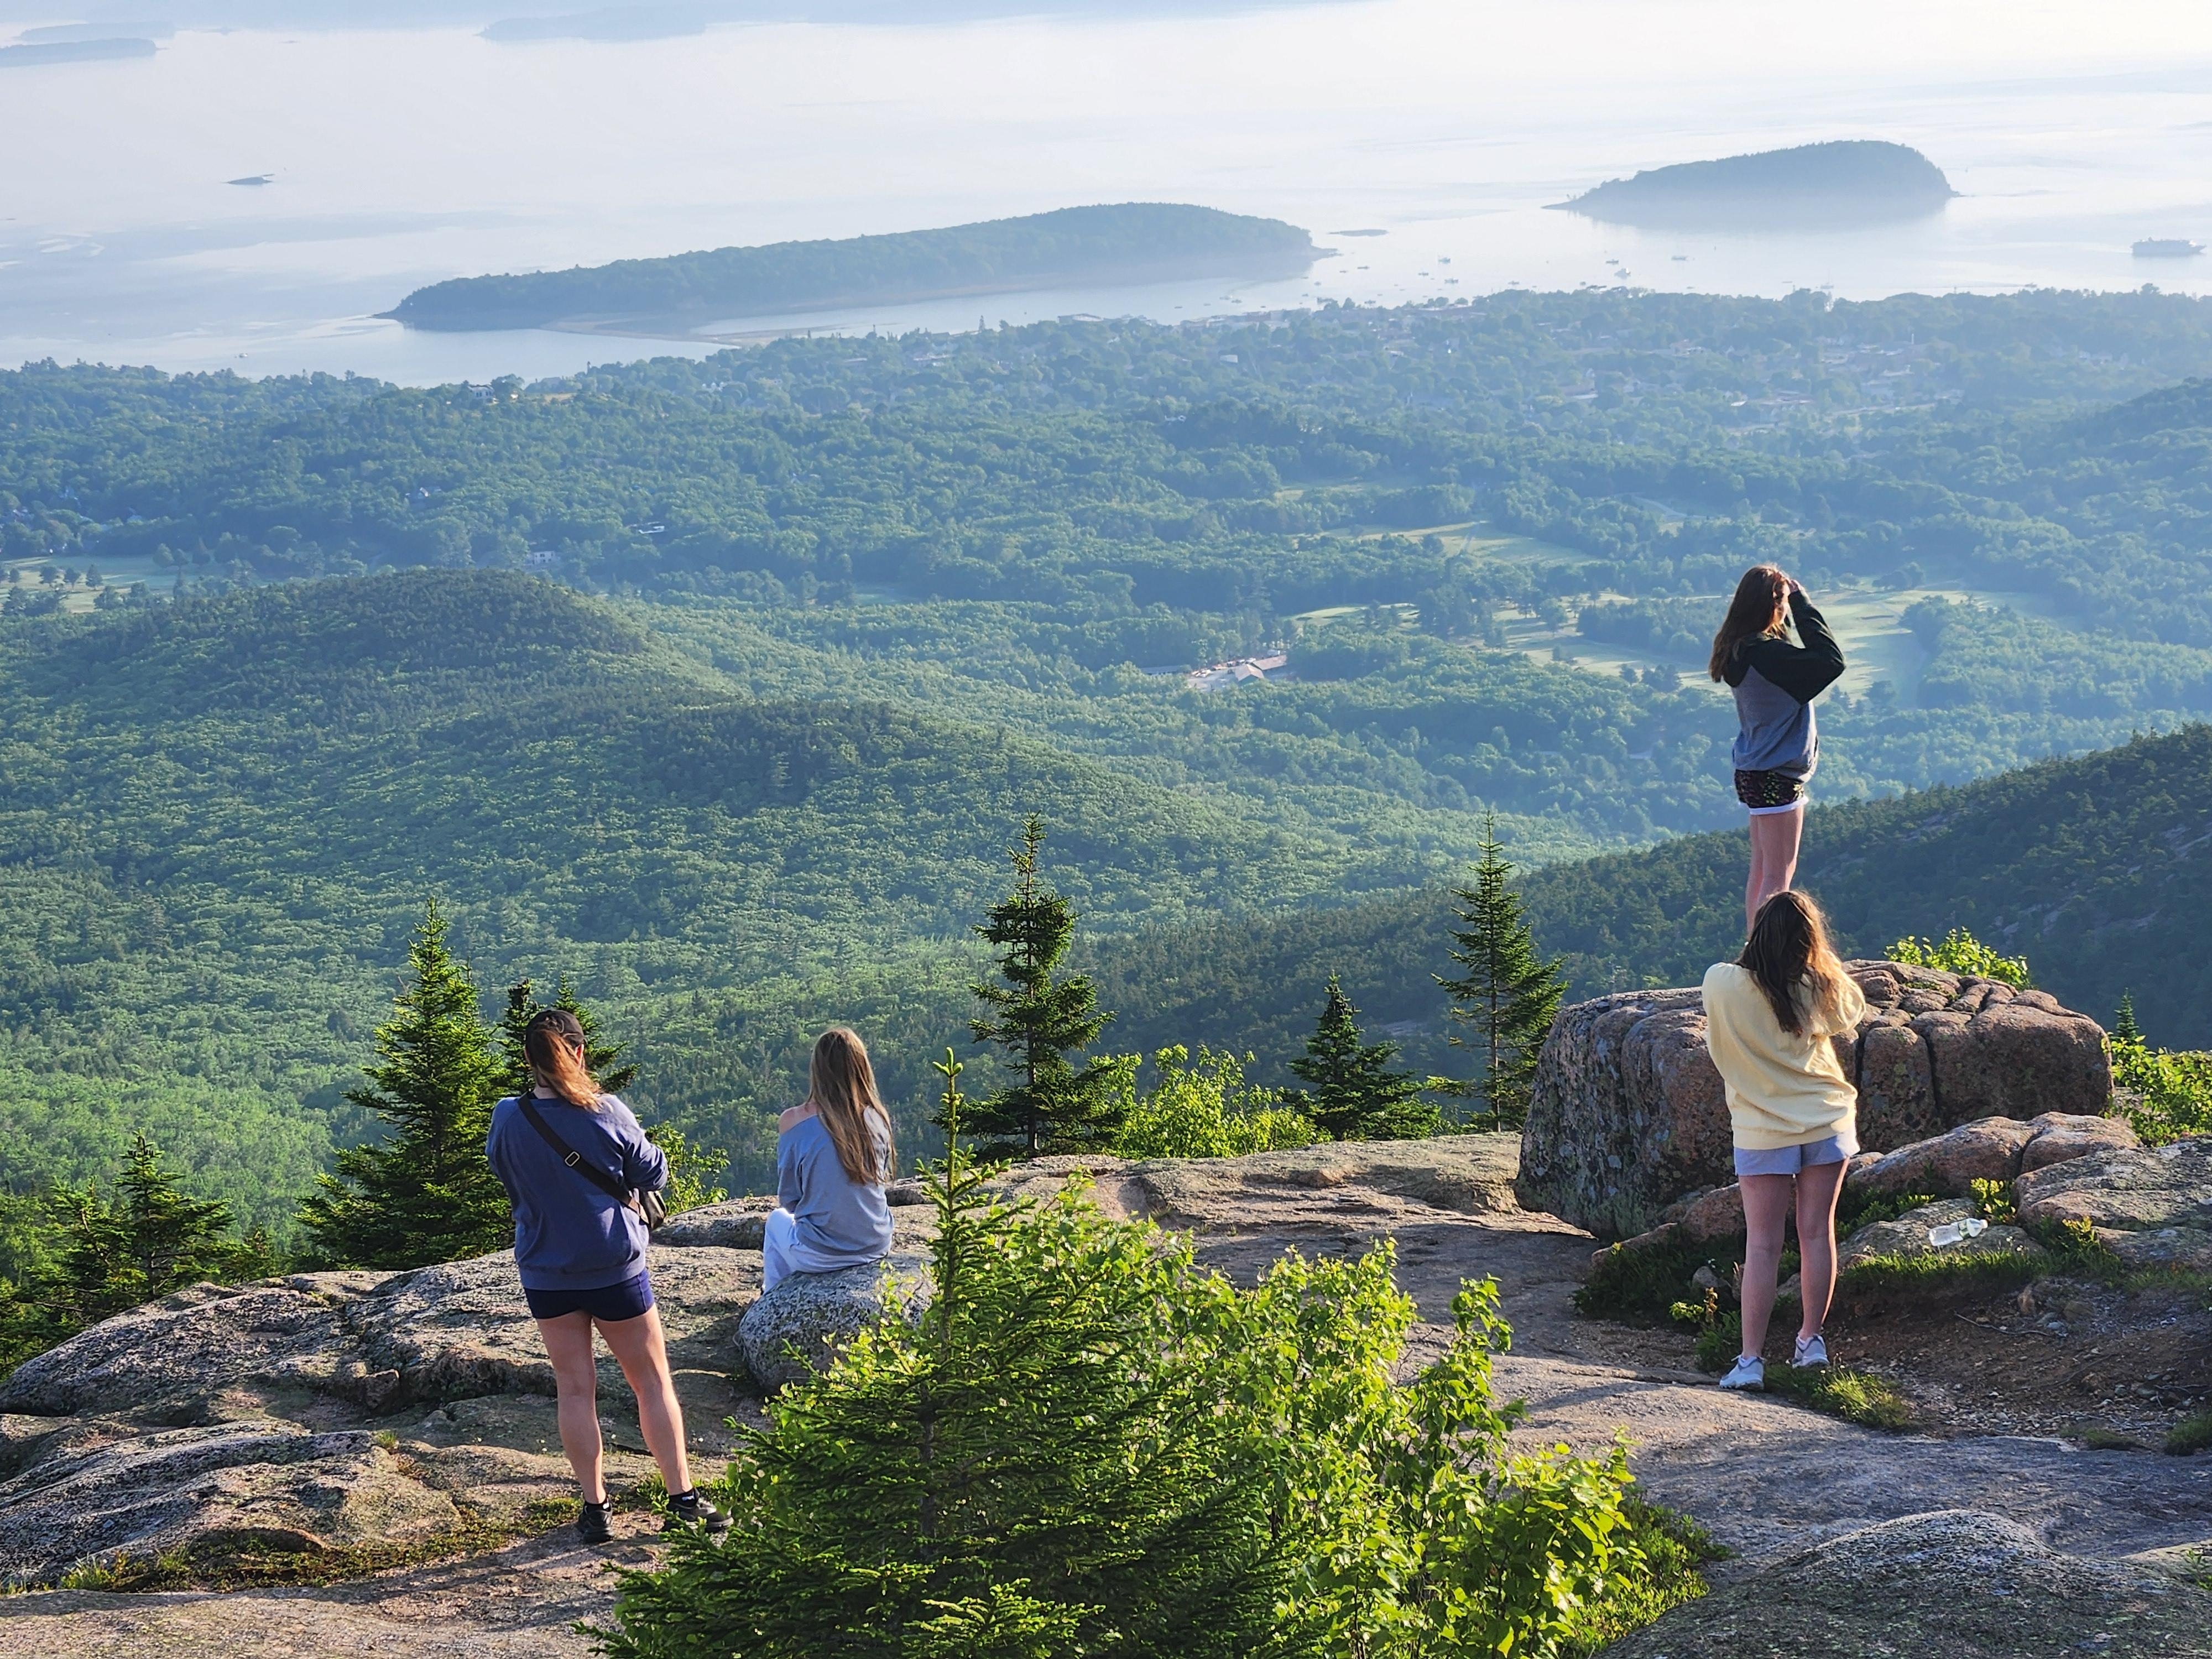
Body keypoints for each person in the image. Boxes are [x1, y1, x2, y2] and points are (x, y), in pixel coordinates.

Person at [485, 1009, 726, 1542]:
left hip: (546, 1270)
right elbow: (654, 1171)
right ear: (578, 1052)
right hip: (615, 1266)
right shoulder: (606, 1111)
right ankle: (682, 1499)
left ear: (529, 1058)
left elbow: (503, 1169)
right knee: (651, 1382)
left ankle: (595, 1510)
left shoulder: (507, 1117)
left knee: (574, 1390)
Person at [1700, 890, 1867, 1391]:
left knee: (1763, 1244)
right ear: (1808, 942)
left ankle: (1751, 1361)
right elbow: (1853, 1009)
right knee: (1817, 1234)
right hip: (1825, 1119)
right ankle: (1809, 1342)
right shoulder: (1816, 987)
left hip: (1762, 1129)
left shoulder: (1721, 982)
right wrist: (1820, 957)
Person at [1708, 565, 1845, 935]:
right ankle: (1765, 958)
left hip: (1752, 770)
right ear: (1772, 605)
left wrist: (1786, 603)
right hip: (1777, 775)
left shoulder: (1740, 650)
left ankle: (1755, 949)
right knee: (1779, 874)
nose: (1785, 609)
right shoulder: (1767, 655)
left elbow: (1793, 654)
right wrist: (1803, 604)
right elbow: (1831, 661)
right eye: (1782, 603)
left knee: (1762, 868)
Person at [765, 1027, 896, 1294]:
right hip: (877, 1244)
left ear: (818, 1070)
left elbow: (790, 1200)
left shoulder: (794, 1121)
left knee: (776, 1221)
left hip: (821, 1255)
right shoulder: (877, 1118)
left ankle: (774, 1297)